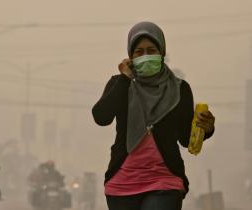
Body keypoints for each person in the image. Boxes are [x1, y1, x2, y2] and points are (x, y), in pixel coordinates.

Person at [92, 21, 215, 210]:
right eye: (139, 52)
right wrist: (125, 79)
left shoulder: (180, 89)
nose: (146, 56)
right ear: (130, 56)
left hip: (164, 180)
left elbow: (185, 138)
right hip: (122, 182)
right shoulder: (119, 84)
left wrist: (206, 129)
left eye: (151, 50)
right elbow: (101, 117)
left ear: (162, 53)